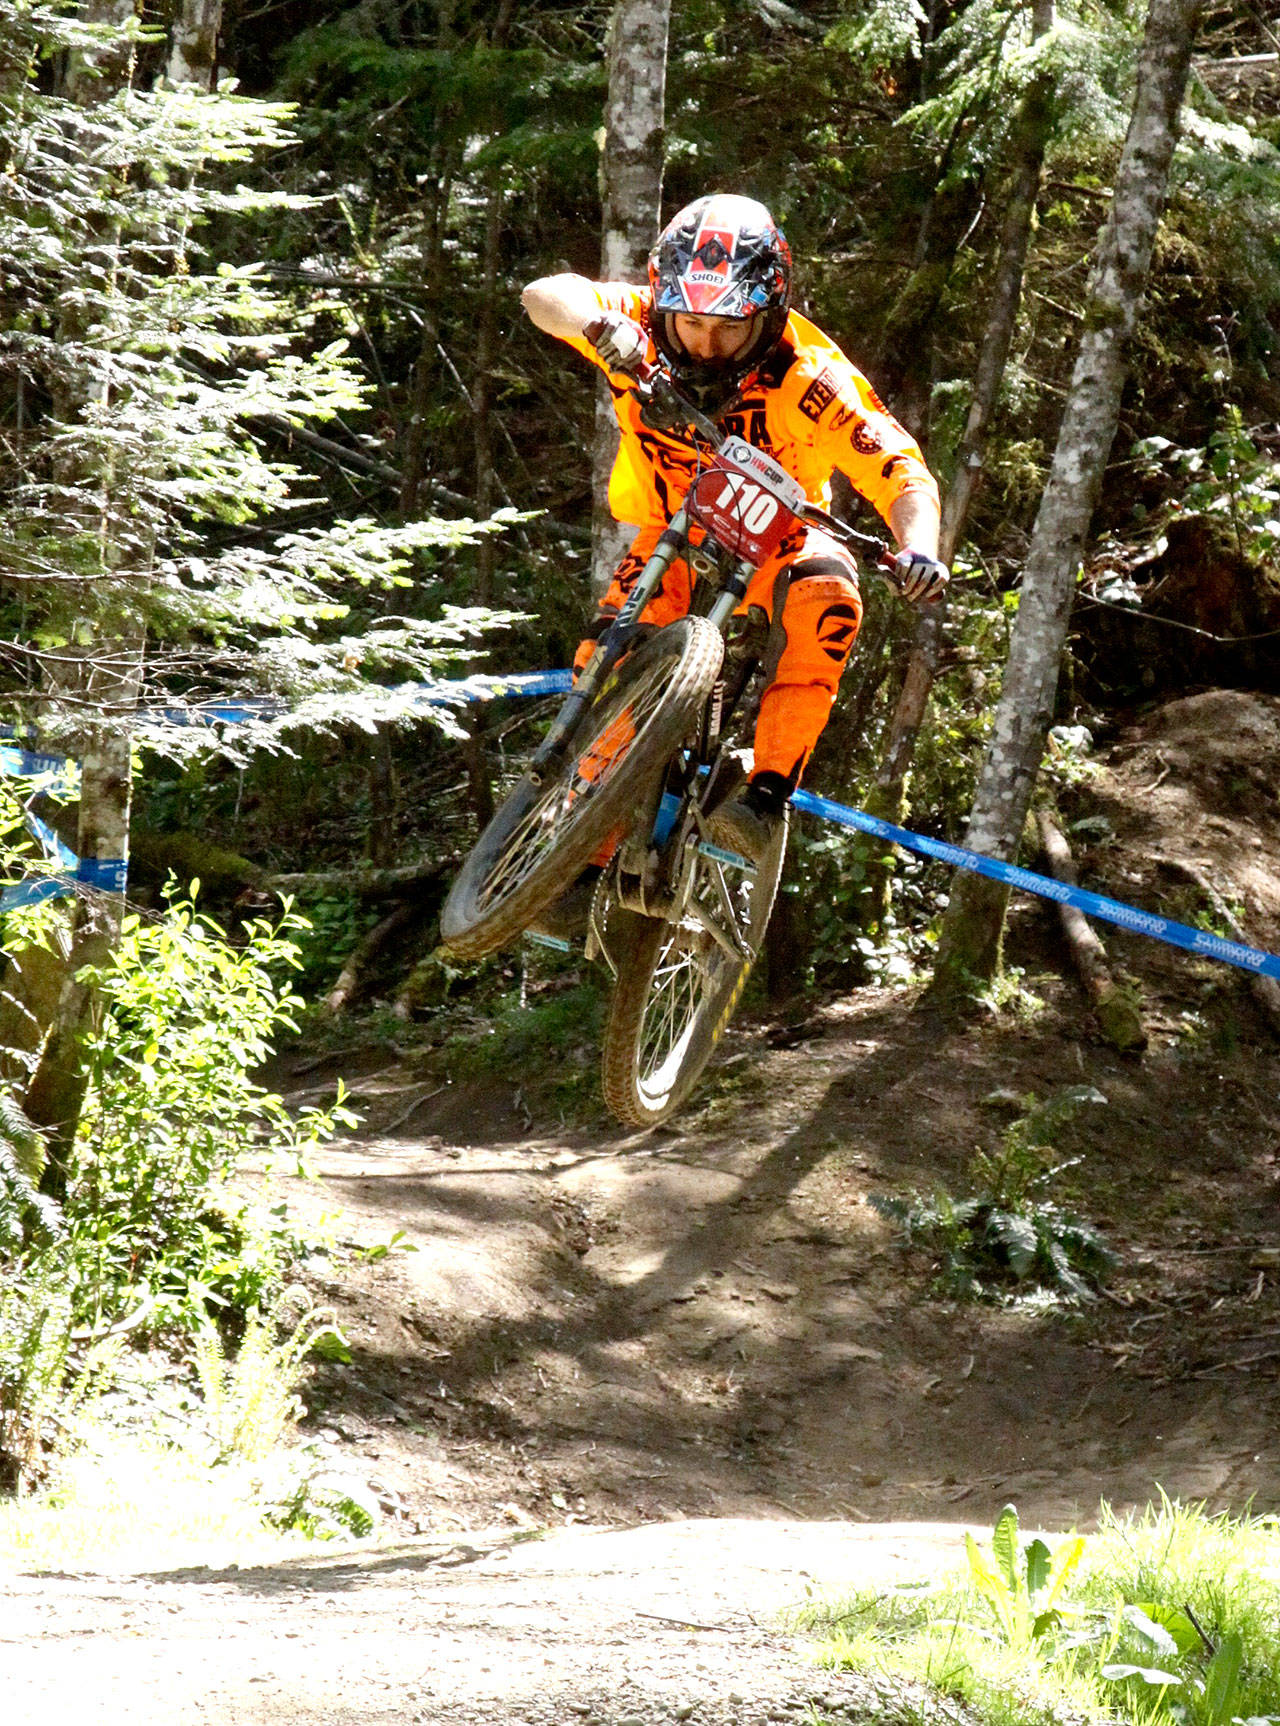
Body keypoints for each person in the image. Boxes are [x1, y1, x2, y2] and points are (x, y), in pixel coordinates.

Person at [521, 191, 947, 872]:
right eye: (690, 323)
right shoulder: (638, 324)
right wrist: (601, 327)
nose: (707, 344)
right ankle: (581, 853)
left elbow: (900, 471)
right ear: (665, 302)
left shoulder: (809, 376)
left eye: (731, 327)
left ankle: (765, 797)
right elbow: (546, 295)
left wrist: (919, 547)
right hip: (672, 530)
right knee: (608, 654)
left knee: (829, 600)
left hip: (780, 534)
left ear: (769, 316)